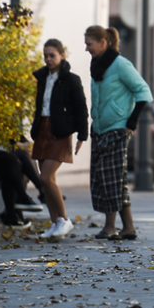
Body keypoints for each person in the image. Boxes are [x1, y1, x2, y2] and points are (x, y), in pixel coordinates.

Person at [86, 25, 153, 241]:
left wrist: (131, 122)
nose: (87, 48)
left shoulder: (121, 64)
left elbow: (143, 92)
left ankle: (110, 226)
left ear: (102, 43)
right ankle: (129, 227)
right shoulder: (97, 65)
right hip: (99, 129)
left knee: (110, 178)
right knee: (110, 178)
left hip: (117, 128)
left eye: (89, 44)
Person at [30, 39, 89, 239]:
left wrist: (82, 135)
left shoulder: (71, 80)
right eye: (45, 55)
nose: (48, 59)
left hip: (59, 132)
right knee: (46, 181)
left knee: (46, 176)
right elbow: (39, 107)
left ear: (62, 55)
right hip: (42, 130)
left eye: (52, 55)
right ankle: (55, 224)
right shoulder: (42, 78)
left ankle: (64, 219)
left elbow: (81, 108)